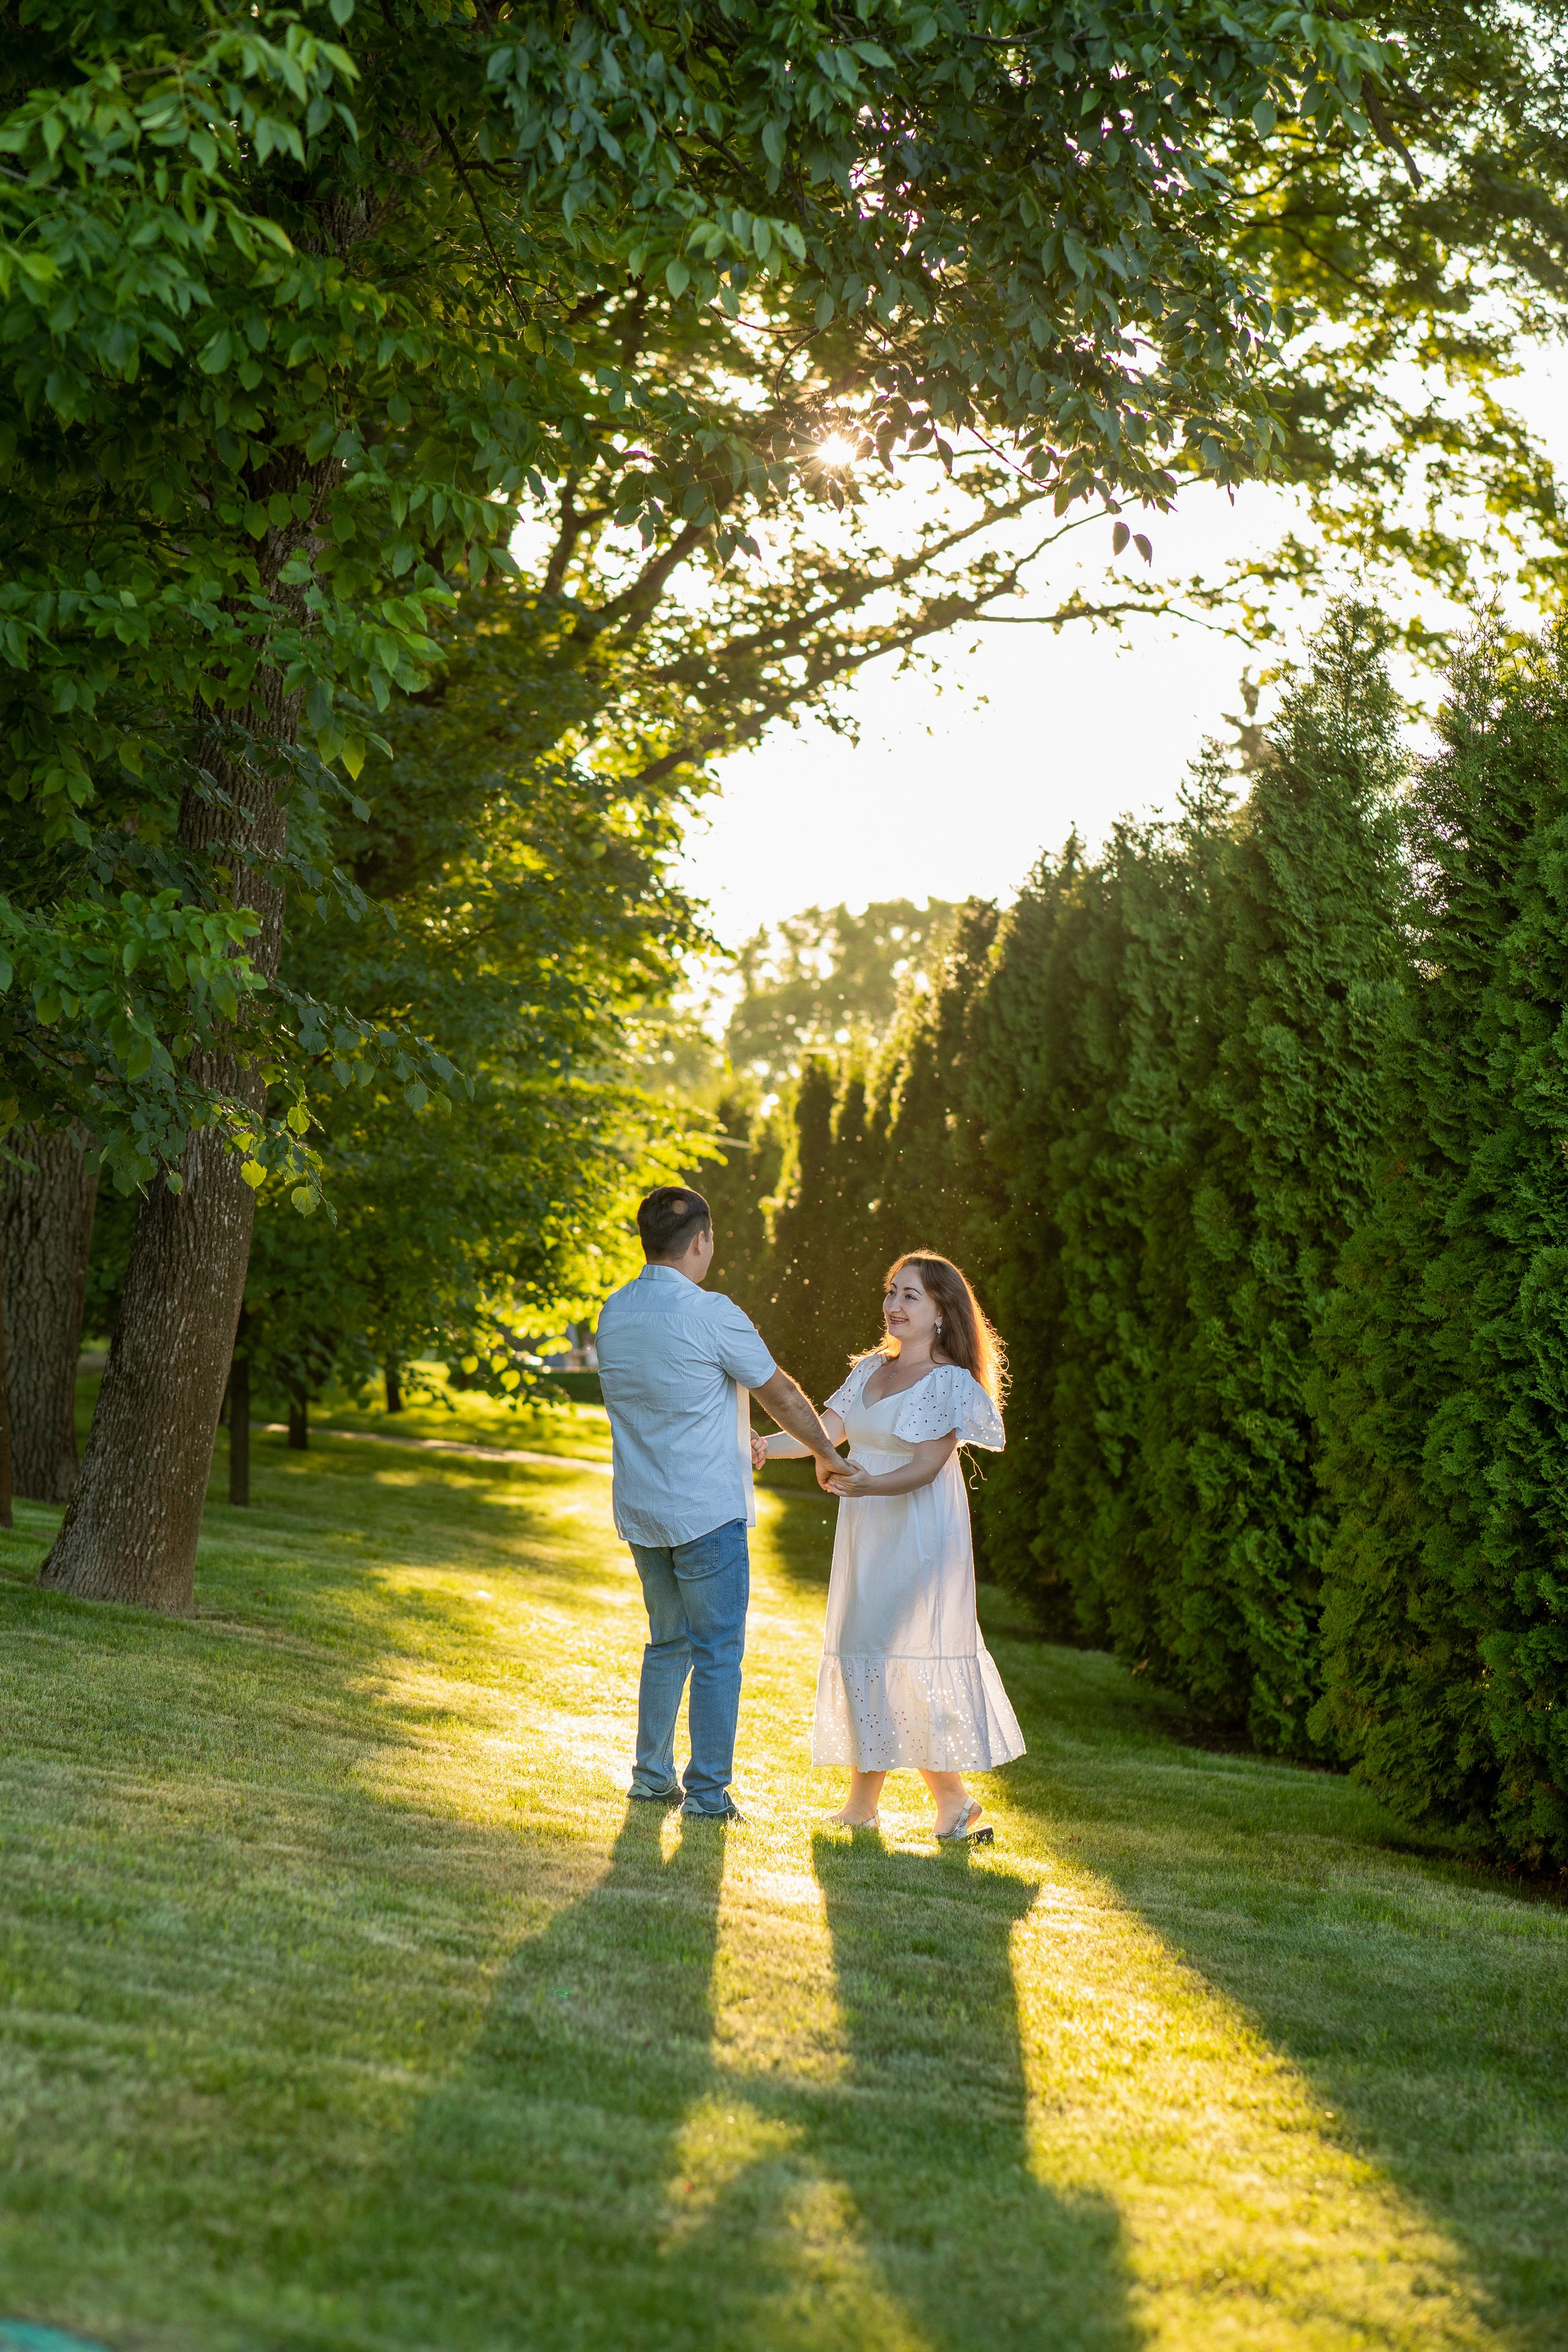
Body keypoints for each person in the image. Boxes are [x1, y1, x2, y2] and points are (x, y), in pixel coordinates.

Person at [596, 1185, 845, 1824]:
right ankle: (707, 1796)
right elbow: (782, 1395)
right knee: (716, 1654)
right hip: (706, 1512)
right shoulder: (714, 1313)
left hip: (644, 1511)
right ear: (701, 1241)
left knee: (667, 1643)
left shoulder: (615, 1311)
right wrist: (826, 1452)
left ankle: (651, 1779)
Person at [757, 1251, 1024, 1842]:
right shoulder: (872, 1369)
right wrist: (763, 1448)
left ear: (941, 1313)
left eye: (910, 1296)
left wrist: (865, 1482)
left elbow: (929, 1467)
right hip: (869, 1529)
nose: (894, 1305)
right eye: (891, 1291)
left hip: (920, 1534)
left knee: (880, 1652)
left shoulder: (948, 1382)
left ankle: (869, 1805)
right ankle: (948, 1802)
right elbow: (823, 1432)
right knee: (869, 1653)